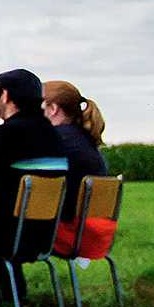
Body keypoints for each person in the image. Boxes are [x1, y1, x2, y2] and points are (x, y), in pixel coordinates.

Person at [0, 68, 68, 300]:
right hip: (44, 234)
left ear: (5, 95)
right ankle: (6, 299)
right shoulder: (54, 135)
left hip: (6, 237)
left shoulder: (3, 135)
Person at [44, 80, 108, 220]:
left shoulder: (55, 140)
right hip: (89, 233)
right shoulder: (85, 139)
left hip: (63, 232)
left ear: (53, 109)